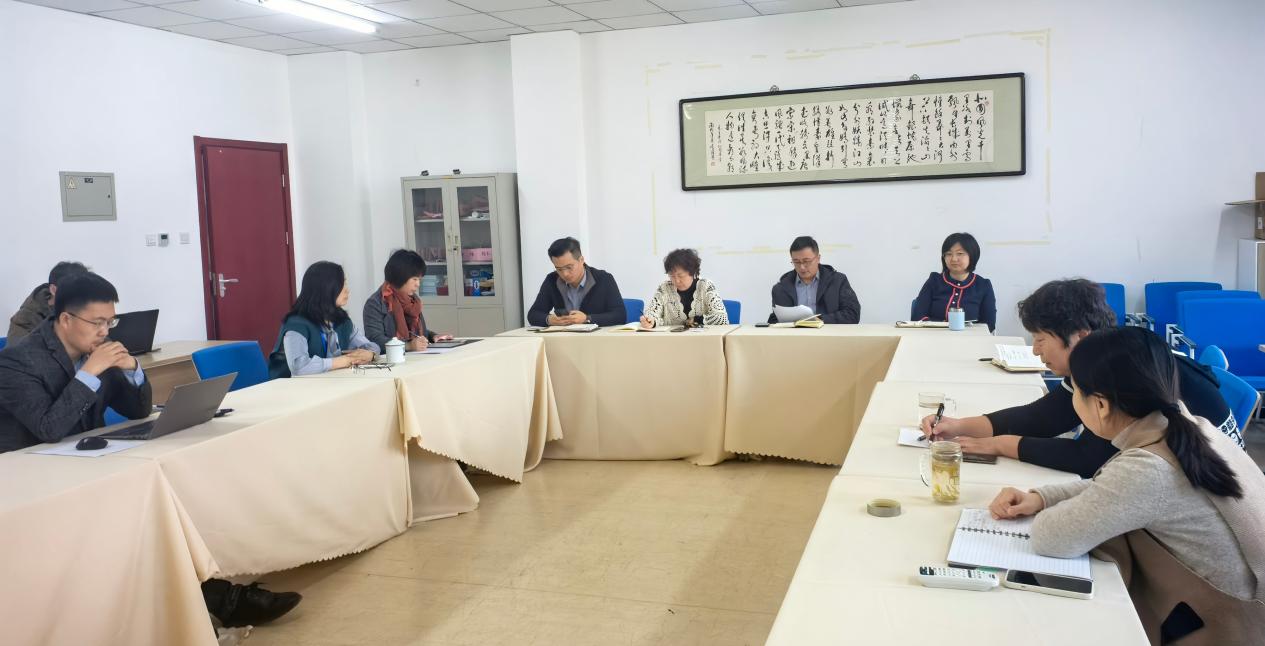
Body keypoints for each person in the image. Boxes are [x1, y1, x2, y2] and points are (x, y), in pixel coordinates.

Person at [0, 273, 303, 627]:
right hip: (31, 485)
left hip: (84, 468)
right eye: (97, 322)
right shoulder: (17, 362)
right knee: (142, 508)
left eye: (110, 322)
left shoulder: (95, 350)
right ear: (65, 319)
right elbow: (49, 428)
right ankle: (217, 600)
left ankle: (210, 596)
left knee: (165, 495)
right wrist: (91, 373)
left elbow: (138, 409)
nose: (105, 331)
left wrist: (132, 370)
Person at [988, 327, 1265, 642]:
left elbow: (1051, 537)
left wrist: (1048, 510)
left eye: (1075, 391)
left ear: (1101, 406)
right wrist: (1041, 497)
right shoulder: (1190, 428)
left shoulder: (1147, 470)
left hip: (1220, 629)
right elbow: (1114, 489)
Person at [921, 279, 1240, 479]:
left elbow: (1089, 459)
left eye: (1041, 339)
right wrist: (959, 425)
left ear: (1080, 337)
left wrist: (1001, 444)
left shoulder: (1125, 371)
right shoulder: (1109, 355)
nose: (1035, 350)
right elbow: (1043, 417)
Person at [269, 261, 379, 379]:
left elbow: (370, 346)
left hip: (329, 382)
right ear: (325, 288)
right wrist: (342, 361)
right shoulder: (296, 324)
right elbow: (299, 367)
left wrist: (370, 354)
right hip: (290, 386)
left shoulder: (342, 320)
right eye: (342, 284)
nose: (347, 290)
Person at [363, 249, 453, 352]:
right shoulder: (375, 303)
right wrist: (408, 346)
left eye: (420, 279)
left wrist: (433, 336)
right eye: (414, 279)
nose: (418, 284)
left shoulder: (413, 301)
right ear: (400, 276)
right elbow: (375, 341)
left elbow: (416, 333)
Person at [526, 237, 626, 327]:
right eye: (559, 269)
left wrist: (587, 319)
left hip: (596, 338)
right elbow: (533, 314)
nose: (565, 274)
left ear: (581, 260)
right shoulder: (551, 280)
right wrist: (549, 320)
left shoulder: (604, 279)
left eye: (569, 267)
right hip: (564, 338)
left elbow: (620, 315)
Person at [911, 232, 997, 332]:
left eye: (960, 253)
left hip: (970, 339)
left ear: (972, 255)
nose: (954, 259)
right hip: (934, 337)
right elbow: (917, 317)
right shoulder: (934, 280)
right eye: (948, 254)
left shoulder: (983, 285)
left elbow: (989, 325)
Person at [768, 236, 860, 324]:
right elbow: (775, 319)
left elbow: (852, 314)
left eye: (806, 261)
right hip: (795, 335)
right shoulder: (781, 288)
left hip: (828, 333)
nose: (802, 267)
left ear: (818, 258)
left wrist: (819, 320)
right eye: (796, 262)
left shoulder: (838, 281)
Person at [639, 248, 729, 328]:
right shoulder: (664, 288)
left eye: (680, 275)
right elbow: (652, 313)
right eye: (672, 276)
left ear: (692, 272)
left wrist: (695, 320)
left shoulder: (706, 286)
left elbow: (721, 318)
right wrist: (650, 321)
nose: (677, 280)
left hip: (702, 339)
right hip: (671, 340)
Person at [6, 261, 89, 343]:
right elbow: (18, 350)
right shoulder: (26, 319)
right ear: (53, 290)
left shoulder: (88, 311)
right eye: (74, 291)